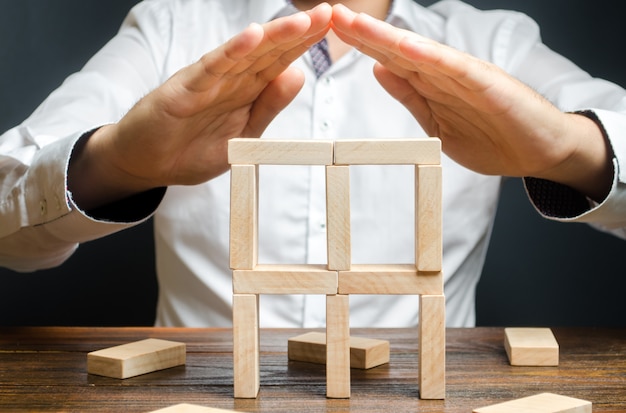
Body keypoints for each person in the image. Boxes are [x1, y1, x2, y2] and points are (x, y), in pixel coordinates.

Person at [1, 0, 625, 328]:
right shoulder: (170, 27)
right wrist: (116, 166)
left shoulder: (495, 43)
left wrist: (572, 152)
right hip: (208, 393)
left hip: (425, 395)